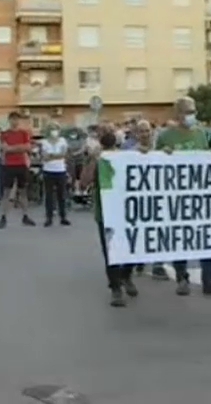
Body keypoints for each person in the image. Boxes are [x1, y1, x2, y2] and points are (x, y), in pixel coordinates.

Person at [156, 96, 211, 297]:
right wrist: (163, 155)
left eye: (193, 111)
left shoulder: (202, 134)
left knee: (206, 237)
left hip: (201, 195)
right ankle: (182, 278)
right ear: (177, 114)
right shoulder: (165, 137)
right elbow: (153, 166)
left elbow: (207, 160)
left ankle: (209, 280)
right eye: (187, 111)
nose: (191, 115)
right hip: (178, 196)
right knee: (181, 238)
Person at [86, 125, 139, 307]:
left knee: (131, 248)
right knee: (111, 252)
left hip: (125, 211)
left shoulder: (124, 157)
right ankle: (116, 288)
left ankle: (125, 277)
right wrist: (92, 160)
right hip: (106, 213)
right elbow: (84, 181)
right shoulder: (98, 160)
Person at [124, 120, 170, 280]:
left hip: (159, 195)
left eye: (147, 130)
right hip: (140, 197)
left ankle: (158, 265)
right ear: (136, 134)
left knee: (160, 230)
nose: (145, 134)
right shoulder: (130, 152)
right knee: (142, 230)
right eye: (141, 131)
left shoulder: (160, 149)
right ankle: (139, 259)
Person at [0, 111, 36, 229]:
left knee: (23, 191)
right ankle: (3, 217)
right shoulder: (5, 134)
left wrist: (13, 148)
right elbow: (5, 149)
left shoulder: (24, 133)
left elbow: (28, 147)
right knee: (7, 192)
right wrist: (20, 147)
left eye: (17, 119)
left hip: (21, 164)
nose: (15, 122)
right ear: (9, 120)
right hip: (9, 165)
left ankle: (25, 216)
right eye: (12, 119)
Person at [40, 125, 71, 227]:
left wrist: (51, 156)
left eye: (55, 129)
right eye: (52, 129)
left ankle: (63, 217)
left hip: (60, 170)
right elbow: (44, 157)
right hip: (48, 170)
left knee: (61, 195)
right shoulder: (44, 142)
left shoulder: (62, 140)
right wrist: (57, 156)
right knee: (49, 195)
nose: (54, 131)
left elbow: (64, 154)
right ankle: (49, 217)